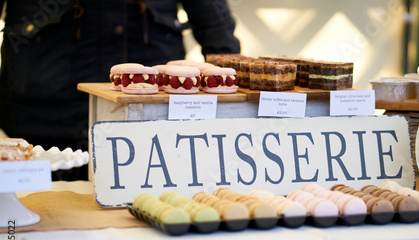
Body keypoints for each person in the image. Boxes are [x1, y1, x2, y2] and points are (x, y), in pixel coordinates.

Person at [0, 0, 240, 180]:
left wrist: (234, 109)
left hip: (152, 126)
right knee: (30, 223)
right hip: (43, 124)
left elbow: (216, 25)